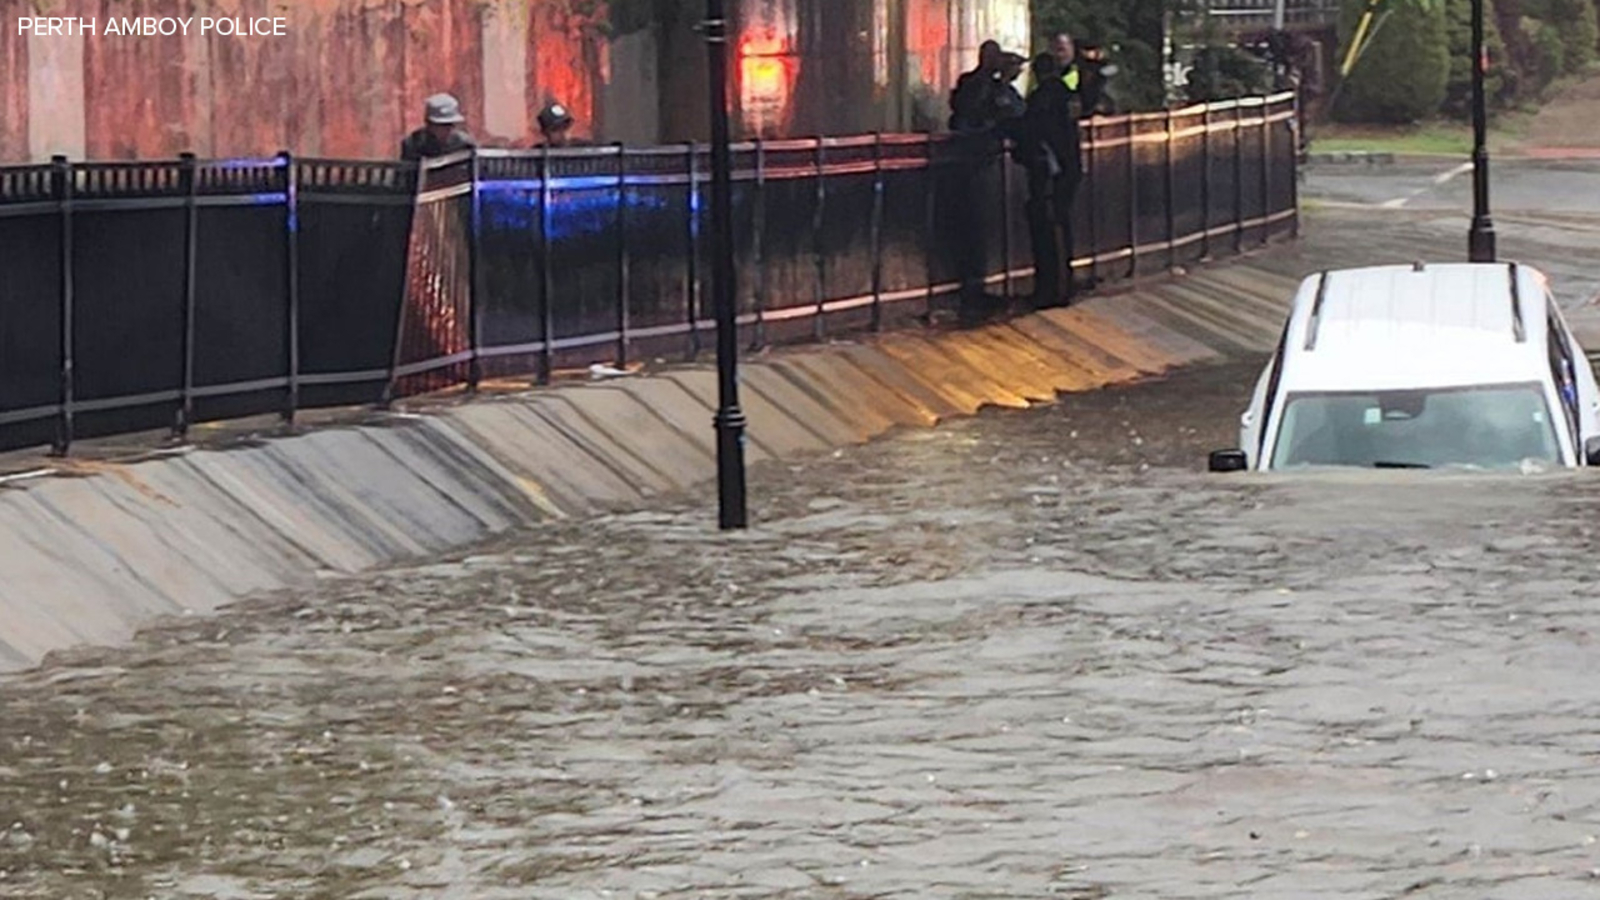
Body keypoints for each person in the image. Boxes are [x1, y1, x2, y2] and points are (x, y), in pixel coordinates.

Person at [1019, 52, 1085, 308]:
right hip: (1069, 165)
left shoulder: (1042, 99)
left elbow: (1031, 130)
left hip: (1050, 169)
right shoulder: (1066, 95)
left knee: (1050, 227)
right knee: (1061, 224)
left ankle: (1051, 289)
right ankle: (1063, 286)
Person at [400, 93, 477, 161]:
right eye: (442, 125)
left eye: (451, 124)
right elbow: (406, 174)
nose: (448, 129)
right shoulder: (413, 144)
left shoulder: (465, 144)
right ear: (429, 125)